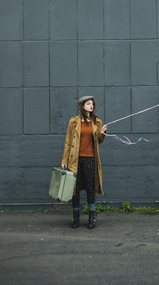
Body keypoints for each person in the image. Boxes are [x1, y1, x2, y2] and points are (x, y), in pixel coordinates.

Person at [61, 96, 107, 229]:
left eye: (92, 104)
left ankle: (92, 217)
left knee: (90, 189)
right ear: (82, 106)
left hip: (90, 159)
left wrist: (103, 132)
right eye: (88, 104)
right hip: (75, 160)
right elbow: (68, 142)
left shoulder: (96, 121)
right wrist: (65, 160)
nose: (91, 106)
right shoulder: (73, 122)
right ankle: (75, 218)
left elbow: (99, 140)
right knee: (74, 190)